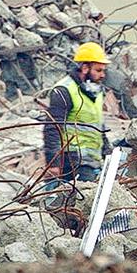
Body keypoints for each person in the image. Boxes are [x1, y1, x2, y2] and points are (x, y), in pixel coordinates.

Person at [43, 42, 112, 185]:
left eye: (103, 70)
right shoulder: (64, 90)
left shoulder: (95, 92)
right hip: (73, 161)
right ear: (85, 68)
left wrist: (107, 152)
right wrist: (53, 163)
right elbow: (53, 128)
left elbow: (98, 126)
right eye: (98, 70)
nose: (102, 75)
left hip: (92, 161)